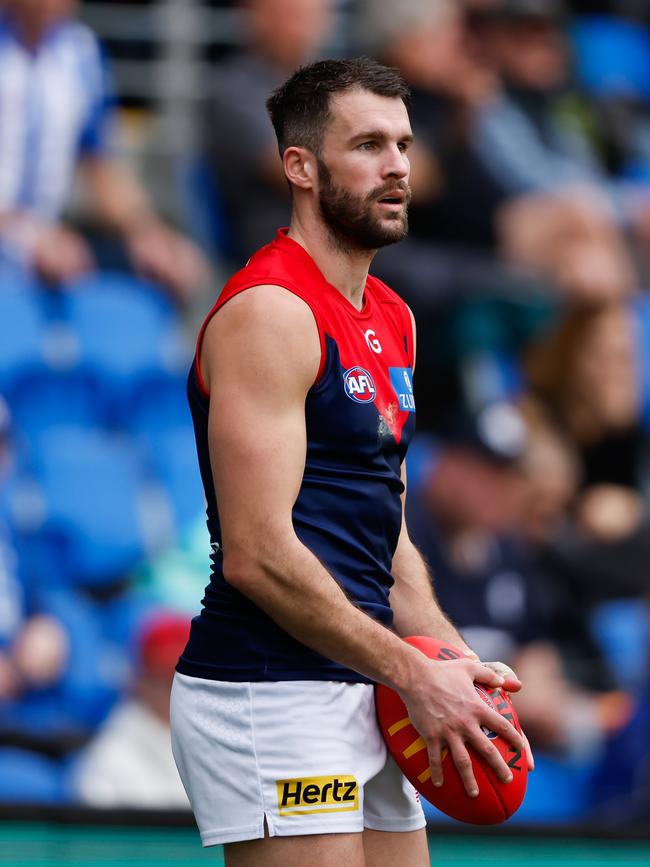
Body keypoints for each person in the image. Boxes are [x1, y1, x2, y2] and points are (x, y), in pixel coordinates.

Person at [170, 58, 529, 867]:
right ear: (300, 166)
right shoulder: (270, 312)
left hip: (367, 678)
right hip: (272, 685)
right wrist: (412, 669)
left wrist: (454, 666)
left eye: (403, 143)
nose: (397, 164)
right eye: (367, 144)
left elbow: (384, 529)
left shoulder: (392, 315)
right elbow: (258, 557)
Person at [0, 0, 207, 300]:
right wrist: (28, 235)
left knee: (153, 283)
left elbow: (103, 167)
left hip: (43, 253)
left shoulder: (81, 52)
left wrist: (149, 234)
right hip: (30, 245)